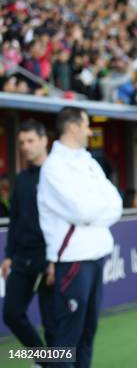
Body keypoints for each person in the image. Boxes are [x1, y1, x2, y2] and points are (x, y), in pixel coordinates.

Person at [37, 106, 123, 368]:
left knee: (87, 335)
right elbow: (81, 211)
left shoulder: (89, 161)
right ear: (73, 127)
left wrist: (92, 210)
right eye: (86, 125)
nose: (89, 131)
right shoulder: (53, 167)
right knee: (66, 340)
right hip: (73, 259)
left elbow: (116, 204)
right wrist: (95, 210)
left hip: (96, 256)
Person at [2, 120, 55, 352]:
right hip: (22, 258)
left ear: (44, 141)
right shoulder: (21, 179)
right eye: (21, 142)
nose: (25, 146)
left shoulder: (56, 175)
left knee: (52, 323)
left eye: (31, 140)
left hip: (49, 257)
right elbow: (15, 220)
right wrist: (8, 255)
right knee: (11, 313)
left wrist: (55, 259)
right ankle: (45, 360)